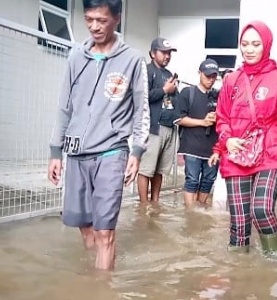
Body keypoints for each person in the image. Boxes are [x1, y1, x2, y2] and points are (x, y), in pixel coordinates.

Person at [47, 0, 149, 270]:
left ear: (117, 18)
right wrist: (55, 151)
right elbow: (64, 106)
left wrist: (137, 151)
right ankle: (97, 277)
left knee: (105, 233)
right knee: (85, 228)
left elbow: (142, 110)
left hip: (112, 152)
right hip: (77, 153)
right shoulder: (75, 57)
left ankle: (102, 290)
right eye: (89, 19)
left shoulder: (132, 60)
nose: (94, 26)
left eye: (101, 20)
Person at [215, 21, 277, 255]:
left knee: (261, 210)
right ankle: (239, 276)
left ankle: (274, 262)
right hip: (236, 155)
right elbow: (221, 117)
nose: (249, 49)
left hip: (271, 154)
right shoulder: (231, 80)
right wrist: (227, 140)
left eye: (256, 44)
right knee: (239, 224)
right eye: (244, 44)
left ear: (266, 45)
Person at [137, 37, 177, 204]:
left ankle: (155, 203)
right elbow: (142, 97)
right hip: (153, 128)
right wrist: (164, 89)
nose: (167, 56)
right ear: (153, 53)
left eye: (169, 53)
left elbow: (173, 100)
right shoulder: (146, 71)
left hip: (169, 128)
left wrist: (174, 91)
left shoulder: (168, 74)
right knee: (146, 169)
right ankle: (144, 206)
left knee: (159, 170)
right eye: (163, 52)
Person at [175, 59, 220, 207]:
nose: (210, 80)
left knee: (208, 180)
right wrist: (202, 122)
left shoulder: (218, 96)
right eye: (207, 76)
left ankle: (199, 210)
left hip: (211, 148)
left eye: (213, 76)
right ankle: (190, 212)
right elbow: (179, 119)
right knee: (192, 179)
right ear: (199, 73)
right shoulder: (188, 93)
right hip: (191, 146)